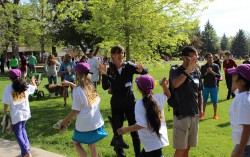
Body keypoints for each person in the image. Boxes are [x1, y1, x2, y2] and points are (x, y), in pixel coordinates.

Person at [100, 45, 148, 157]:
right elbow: (105, 87)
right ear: (112, 55)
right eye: (117, 53)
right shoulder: (109, 69)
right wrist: (103, 74)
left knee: (134, 130)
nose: (120, 55)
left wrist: (143, 70)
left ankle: (137, 154)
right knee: (118, 129)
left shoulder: (129, 66)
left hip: (130, 103)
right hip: (117, 104)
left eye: (122, 53)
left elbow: (144, 72)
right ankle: (120, 152)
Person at [60, 62, 108, 157]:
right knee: (92, 146)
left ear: (77, 74)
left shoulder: (77, 91)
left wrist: (65, 121)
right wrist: (70, 83)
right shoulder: (91, 86)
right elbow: (83, 92)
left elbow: (76, 110)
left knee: (76, 143)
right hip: (95, 122)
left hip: (84, 124)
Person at [117, 74, 171, 157]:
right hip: (158, 140)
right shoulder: (158, 98)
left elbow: (142, 124)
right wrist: (164, 85)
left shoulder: (139, 104)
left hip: (151, 142)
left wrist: (126, 129)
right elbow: (168, 95)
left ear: (139, 89)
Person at [169, 46, 203, 157]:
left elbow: (200, 93)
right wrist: (188, 71)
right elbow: (175, 84)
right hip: (181, 115)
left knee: (188, 148)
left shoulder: (197, 72)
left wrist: (201, 109)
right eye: (192, 58)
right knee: (180, 149)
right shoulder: (175, 70)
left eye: (197, 58)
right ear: (183, 58)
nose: (195, 60)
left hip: (194, 114)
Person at [1, 69, 37, 157]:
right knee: (22, 129)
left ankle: (25, 152)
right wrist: (33, 81)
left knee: (18, 133)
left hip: (16, 115)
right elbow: (35, 88)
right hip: (25, 112)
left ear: (10, 78)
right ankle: (27, 147)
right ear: (20, 76)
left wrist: (4, 114)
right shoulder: (26, 85)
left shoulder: (8, 88)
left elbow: (6, 103)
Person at [227, 64, 250, 157]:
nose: (232, 77)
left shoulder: (243, 100)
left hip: (245, 146)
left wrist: (240, 151)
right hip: (244, 145)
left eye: (234, 75)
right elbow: (234, 89)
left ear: (241, 82)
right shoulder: (243, 94)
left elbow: (247, 127)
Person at [200, 53, 221, 120]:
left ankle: (215, 115)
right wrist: (206, 72)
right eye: (209, 57)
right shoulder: (203, 67)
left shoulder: (216, 66)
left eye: (211, 57)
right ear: (206, 58)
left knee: (214, 101)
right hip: (205, 86)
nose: (210, 59)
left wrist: (211, 72)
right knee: (204, 101)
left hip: (214, 86)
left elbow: (219, 76)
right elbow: (201, 77)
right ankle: (203, 114)